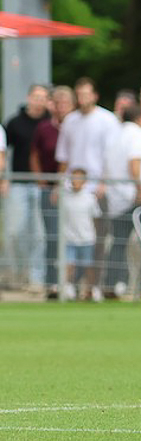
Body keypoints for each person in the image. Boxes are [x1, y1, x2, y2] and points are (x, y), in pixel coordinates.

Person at [55, 78, 122, 298]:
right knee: (69, 238)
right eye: (79, 94)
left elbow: (111, 155)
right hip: (71, 188)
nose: (82, 99)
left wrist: (103, 182)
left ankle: (93, 286)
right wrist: (59, 184)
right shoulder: (70, 121)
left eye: (86, 94)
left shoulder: (107, 120)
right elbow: (64, 157)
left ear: (95, 95)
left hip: (95, 188)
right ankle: (68, 285)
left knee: (96, 239)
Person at [104, 104, 141, 290]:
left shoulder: (115, 136)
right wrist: (139, 189)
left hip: (116, 195)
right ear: (140, 117)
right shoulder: (138, 134)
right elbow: (135, 162)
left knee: (118, 241)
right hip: (135, 195)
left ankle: (113, 282)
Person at [4, 84, 50, 291]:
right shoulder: (14, 123)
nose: (39, 101)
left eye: (43, 97)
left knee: (39, 234)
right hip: (19, 184)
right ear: (29, 98)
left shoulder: (50, 122)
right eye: (36, 97)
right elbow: (4, 152)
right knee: (15, 231)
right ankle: (19, 272)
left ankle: (36, 277)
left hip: (42, 186)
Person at [32, 86, 76, 289]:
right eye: (57, 103)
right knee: (51, 235)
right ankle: (51, 281)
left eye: (65, 103)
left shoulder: (77, 125)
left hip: (73, 188)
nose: (61, 108)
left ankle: (72, 282)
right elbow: (34, 154)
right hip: (49, 188)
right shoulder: (43, 128)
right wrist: (41, 179)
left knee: (76, 235)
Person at [59, 168, 101, 302]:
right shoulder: (64, 197)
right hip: (69, 238)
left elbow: (96, 218)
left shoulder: (90, 198)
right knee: (69, 265)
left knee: (88, 266)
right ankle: (67, 288)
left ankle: (91, 290)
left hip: (86, 238)